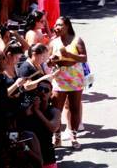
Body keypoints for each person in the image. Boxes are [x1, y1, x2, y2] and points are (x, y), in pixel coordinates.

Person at [50, 15, 87, 148]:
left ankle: (74, 136)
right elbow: (48, 62)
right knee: (56, 110)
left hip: (75, 78)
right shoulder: (53, 42)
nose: (56, 27)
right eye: (56, 25)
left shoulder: (77, 40)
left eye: (59, 25)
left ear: (67, 26)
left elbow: (84, 58)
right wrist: (51, 61)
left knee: (74, 108)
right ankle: (57, 137)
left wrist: (69, 55)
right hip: (59, 79)